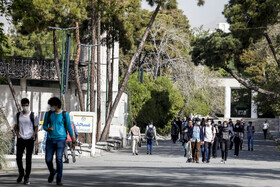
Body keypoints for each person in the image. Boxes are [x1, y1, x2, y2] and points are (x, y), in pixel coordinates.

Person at [43, 97, 76, 186]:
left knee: (59, 159)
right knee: (48, 159)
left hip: (61, 140)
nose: (51, 107)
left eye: (52, 105)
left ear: (57, 105)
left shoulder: (65, 114)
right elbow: (44, 125)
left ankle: (59, 179)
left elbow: (69, 127)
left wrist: (73, 140)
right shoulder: (48, 114)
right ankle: (52, 171)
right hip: (50, 140)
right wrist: (47, 129)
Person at [14, 98, 39, 185]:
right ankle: (21, 173)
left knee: (28, 158)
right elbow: (15, 126)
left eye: (26, 105)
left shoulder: (33, 115)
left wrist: (33, 134)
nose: (25, 106)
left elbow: (36, 127)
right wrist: (17, 134)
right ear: (21, 105)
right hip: (20, 138)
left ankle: (27, 177)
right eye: (23, 105)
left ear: (29, 105)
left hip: (29, 139)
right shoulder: (18, 115)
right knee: (18, 158)